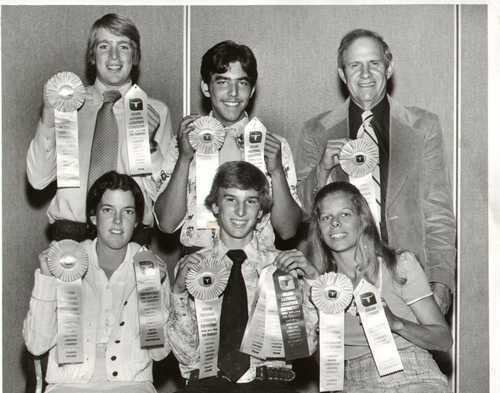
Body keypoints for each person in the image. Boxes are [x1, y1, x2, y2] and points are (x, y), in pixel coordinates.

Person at [296, 28, 456, 313]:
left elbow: (438, 212)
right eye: (355, 65)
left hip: (409, 278)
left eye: (374, 63)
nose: (365, 73)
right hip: (339, 281)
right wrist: (322, 169)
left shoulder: (423, 127)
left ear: (389, 67)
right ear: (343, 75)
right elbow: (304, 214)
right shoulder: (316, 131)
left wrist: (441, 279)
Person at [166, 161, 318, 393]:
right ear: (215, 206)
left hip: (270, 384)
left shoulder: (281, 266)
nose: (240, 211)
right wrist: (178, 292)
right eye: (230, 200)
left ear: (260, 212)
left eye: (250, 201)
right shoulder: (192, 268)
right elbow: (186, 355)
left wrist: (310, 284)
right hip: (207, 384)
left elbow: (303, 347)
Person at [26, 13, 175, 245]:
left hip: (130, 243)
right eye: (104, 46)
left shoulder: (155, 112)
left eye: (123, 46)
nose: (114, 56)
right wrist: (47, 116)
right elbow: (37, 180)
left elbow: (166, 204)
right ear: (92, 56)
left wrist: (150, 146)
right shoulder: (70, 106)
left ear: (135, 56)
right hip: (70, 243)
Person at [23, 171, 171, 393]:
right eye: (108, 210)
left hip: (131, 384)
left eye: (128, 212)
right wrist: (45, 279)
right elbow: (36, 346)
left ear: (137, 220)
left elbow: (159, 354)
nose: (118, 221)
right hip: (68, 383)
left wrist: (154, 295)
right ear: (94, 217)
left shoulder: (149, 267)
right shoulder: (66, 259)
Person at [154, 40, 302, 250]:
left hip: (258, 267)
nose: (233, 93)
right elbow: (167, 224)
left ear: (251, 91)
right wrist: (184, 159)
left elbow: (288, 230)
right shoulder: (184, 142)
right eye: (223, 82)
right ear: (206, 87)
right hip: (198, 267)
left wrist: (276, 171)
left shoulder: (274, 146)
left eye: (242, 83)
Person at [309, 181, 452, 392]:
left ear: (363, 219)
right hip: (350, 383)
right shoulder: (322, 290)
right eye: (326, 218)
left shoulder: (398, 265)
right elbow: (327, 366)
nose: (335, 223)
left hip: (412, 374)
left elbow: (443, 339)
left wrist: (396, 324)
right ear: (319, 229)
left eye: (345, 214)